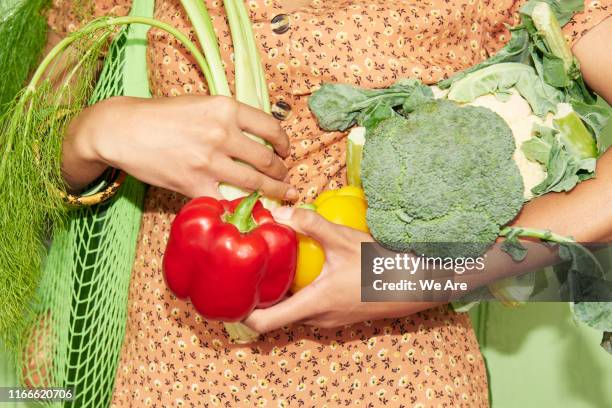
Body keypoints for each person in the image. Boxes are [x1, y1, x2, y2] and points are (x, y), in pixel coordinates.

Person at [42, 0, 612, 406]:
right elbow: (24, 177)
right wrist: (91, 132)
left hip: (399, 378)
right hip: (169, 374)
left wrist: (418, 274)